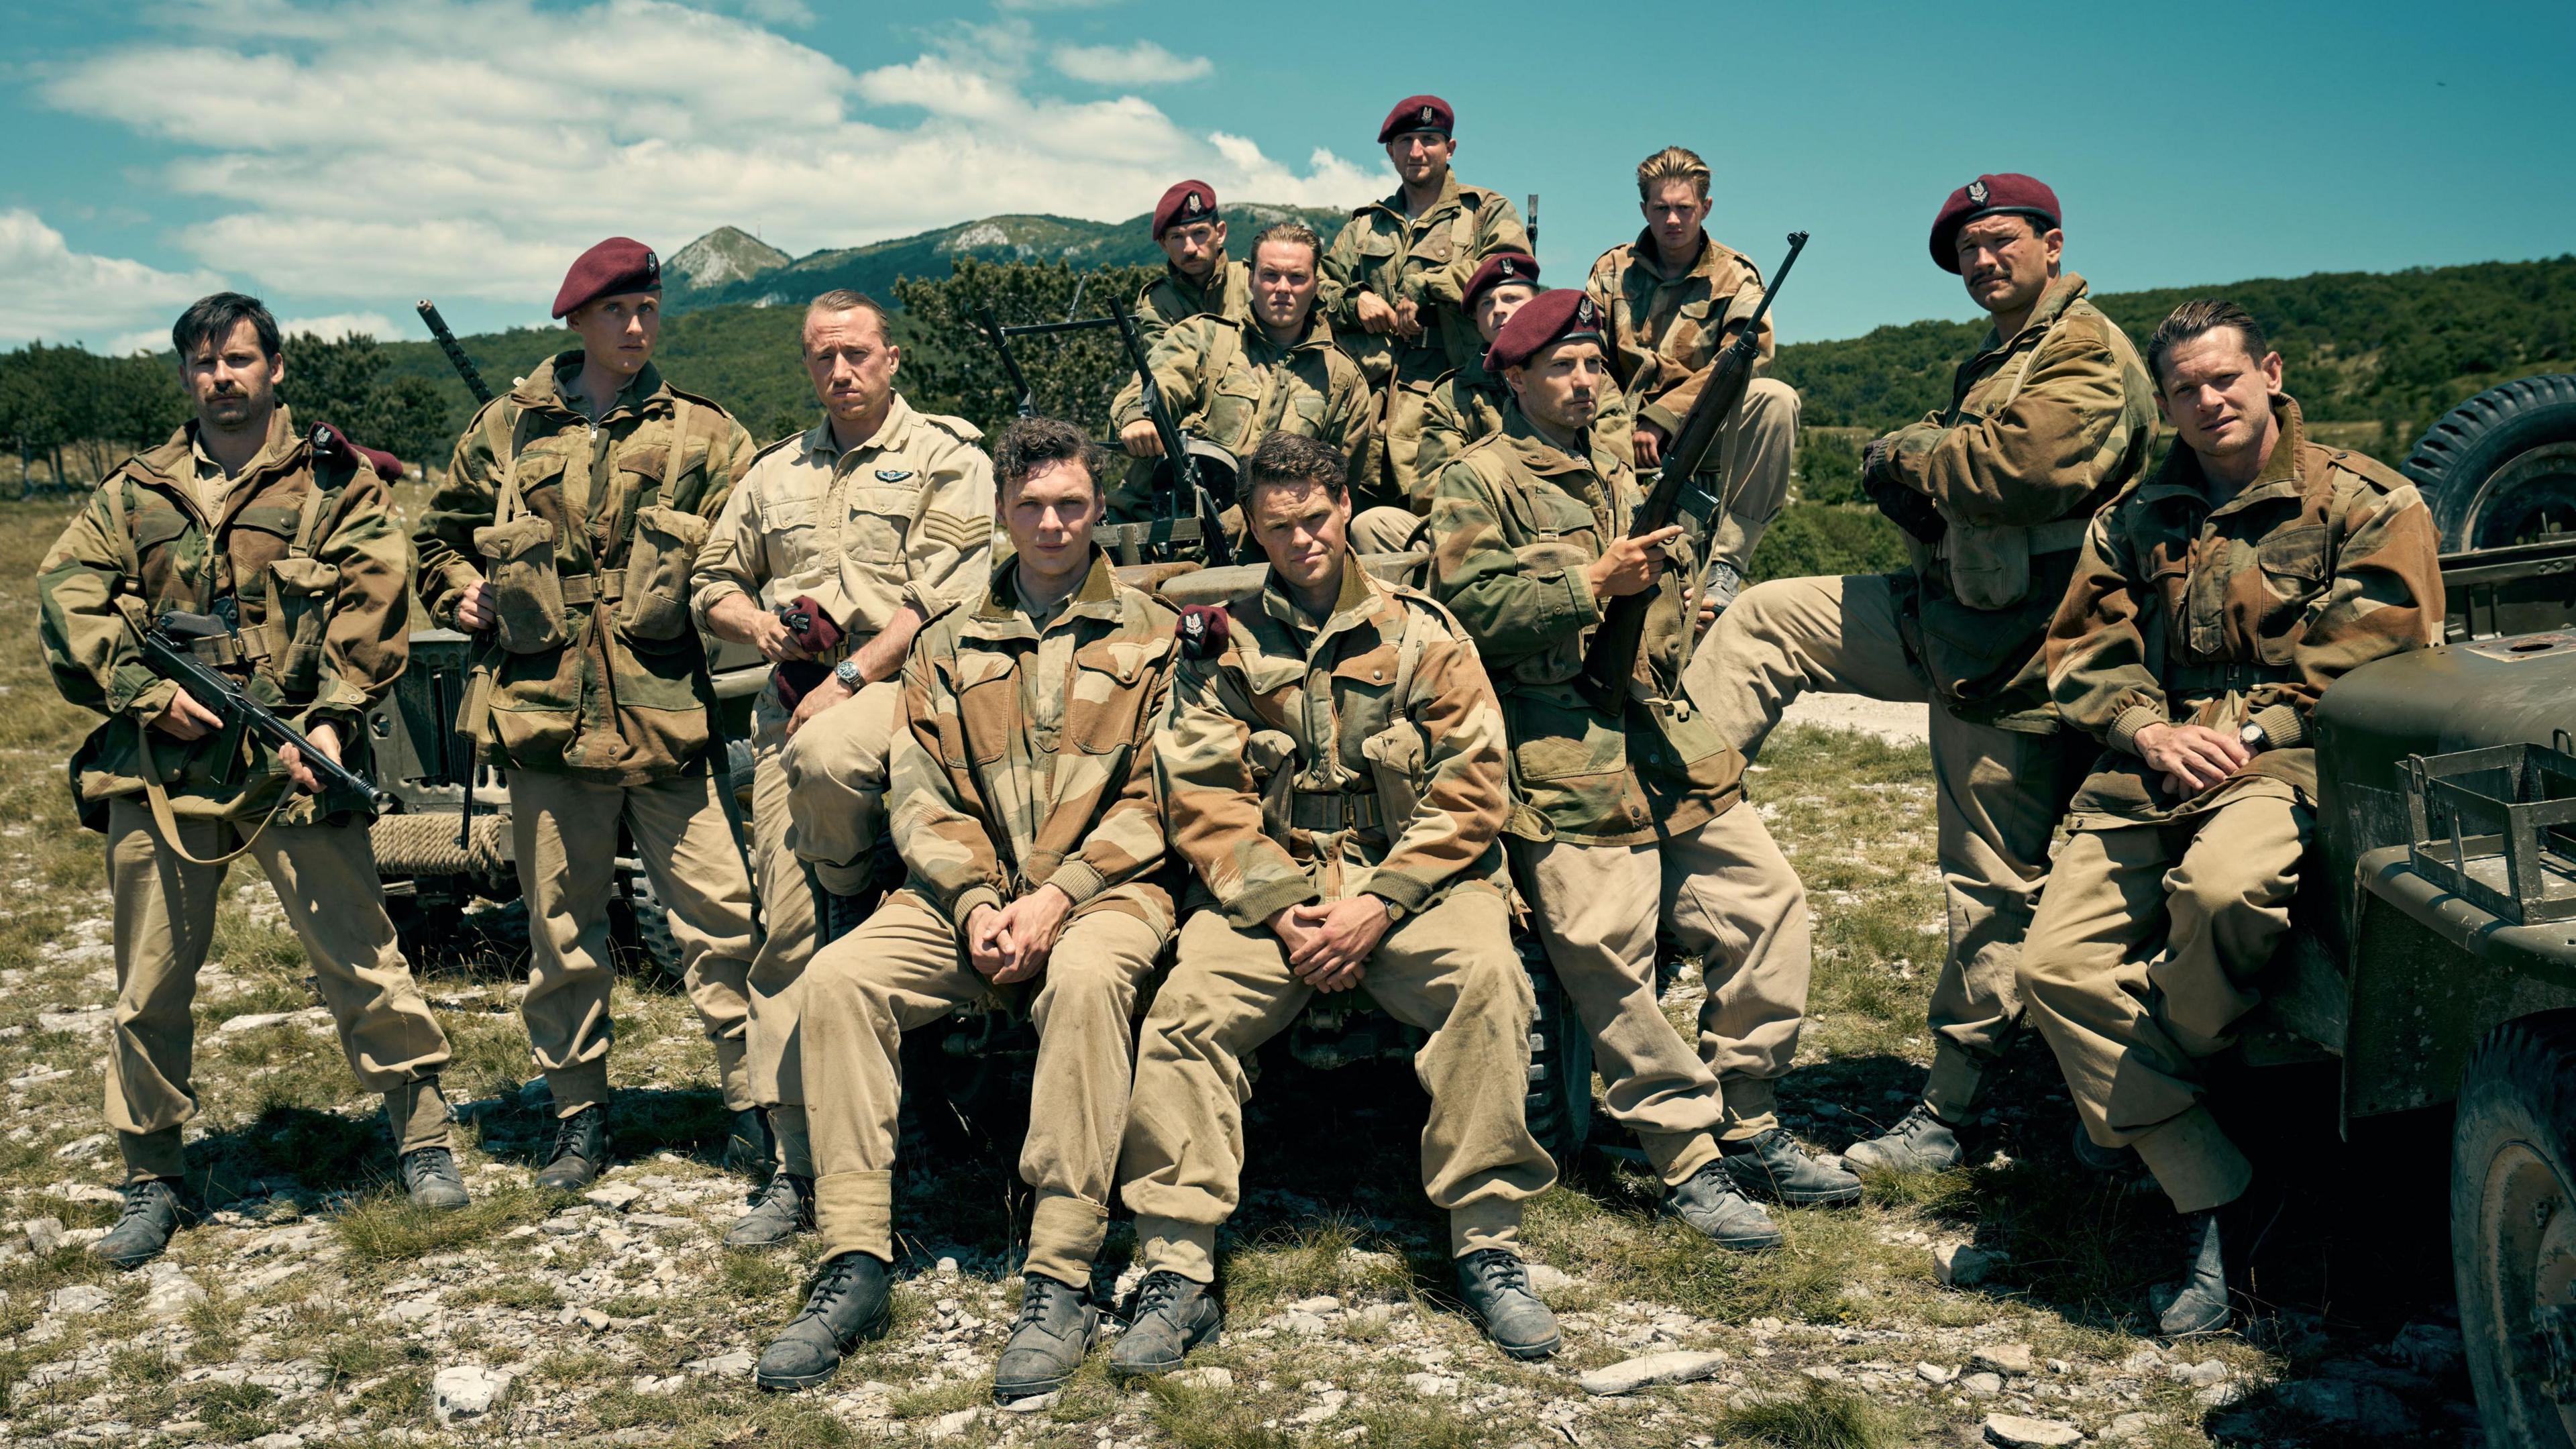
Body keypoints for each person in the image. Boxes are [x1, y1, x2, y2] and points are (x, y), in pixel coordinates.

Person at [1686, 176, 2157, 1172]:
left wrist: (1902, 448)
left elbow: (2016, 469)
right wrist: (1923, 464)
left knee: (1989, 882)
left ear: (2053, 244)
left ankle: (1953, 1112)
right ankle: (1666, 821)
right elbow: (1961, 483)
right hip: (1945, 610)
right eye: (1968, 252)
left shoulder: (2085, 351)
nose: (1983, 262)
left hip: (2027, 650)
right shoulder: (1999, 355)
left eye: (1999, 243)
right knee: (1768, 617)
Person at [2020, 300, 2443, 1334]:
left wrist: (2247, 735)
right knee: (2051, 971)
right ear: (2162, 399)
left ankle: (2161, 1114)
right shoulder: (2136, 512)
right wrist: (2146, 731)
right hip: (2153, 763)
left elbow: (2378, 648)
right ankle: (2224, 1179)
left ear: (2270, 374)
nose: (2208, 401)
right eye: (2185, 389)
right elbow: (2083, 646)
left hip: (2286, 757)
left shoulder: (2363, 502)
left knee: (2226, 889)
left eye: (2225, 379)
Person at [1114, 433, 1562, 1375]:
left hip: (1412, 878)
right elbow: (1199, 790)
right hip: (1278, 886)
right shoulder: (1226, 640)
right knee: (1186, 1012)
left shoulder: (1424, 633)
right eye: (1278, 528)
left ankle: (1486, 1243)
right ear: (1255, 529)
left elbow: (1473, 784)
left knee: (1487, 978)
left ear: (1345, 505)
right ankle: (1176, 1267)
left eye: (1315, 519)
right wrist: (1283, 910)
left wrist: (1383, 902)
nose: (1302, 541)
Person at [754, 419, 1177, 1399]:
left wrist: (1058, 897)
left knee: (1081, 980)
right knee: (839, 977)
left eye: (1071, 503)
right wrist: (983, 900)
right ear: (1001, 514)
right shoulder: (947, 642)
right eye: (1030, 505)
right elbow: (921, 791)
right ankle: (854, 1258)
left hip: (1108, 893)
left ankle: (1060, 1271)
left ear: (1100, 508)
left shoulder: (1152, 634)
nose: (1052, 523)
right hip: (972, 900)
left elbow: (1166, 795)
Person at [39, 292, 464, 1267]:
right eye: (203, 364)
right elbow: (67, 590)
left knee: (361, 956)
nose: (221, 378)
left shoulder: (334, 482)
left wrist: (329, 717)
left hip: (290, 760)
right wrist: (144, 690)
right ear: (185, 376)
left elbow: (377, 596)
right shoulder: (137, 489)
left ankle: (424, 1138)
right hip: (162, 769)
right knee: (149, 982)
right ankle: (151, 1173)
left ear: (275, 367)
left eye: (238, 360)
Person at [1430, 291, 1853, 1251]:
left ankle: (1746, 1117)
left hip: (1661, 734)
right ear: (1516, 377)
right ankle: (1686, 1155)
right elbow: (1464, 604)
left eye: (1593, 367)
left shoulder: (1619, 470)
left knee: (1766, 900)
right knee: (1602, 942)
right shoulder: (1478, 478)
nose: (1583, 383)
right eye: (1562, 368)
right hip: (1558, 744)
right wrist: (1589, 585)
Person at [413, 237, 762, 1190]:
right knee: (560, 928)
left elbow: (748, 542)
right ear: (577, 319)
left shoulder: (706, 434)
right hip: (545, 714)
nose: (638, 326)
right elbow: (437, 537)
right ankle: (578, 1113)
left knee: (721, 919)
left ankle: (755, 1106)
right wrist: (458, 594)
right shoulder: (507, 430)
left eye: (649, 308)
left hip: (664, 715)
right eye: (619, 311)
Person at [688, 288, 998, 1246]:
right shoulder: (773, 472)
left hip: (920, 704)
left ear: (892, 358)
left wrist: (854, 672)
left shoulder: (948, 456)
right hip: (793, 708)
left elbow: (943, 593)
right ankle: (800, 1165)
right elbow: (710, 579)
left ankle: (949, 1115)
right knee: (786, 935)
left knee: (937, 910)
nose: (840, 371)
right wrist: (764, 628)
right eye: (823, 356)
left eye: (857, 352)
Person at [1583, 146, 1799, 614]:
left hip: (1703, 426)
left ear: (1706, 207)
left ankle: (1726, 565)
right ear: (1644, 210)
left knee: (1776, 401)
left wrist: (1665, 414)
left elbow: (1744, 356)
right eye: (1661, 209)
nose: (1673, 220)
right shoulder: (1610, 271)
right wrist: (1623, 425)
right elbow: (1587, 354)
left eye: (1685, 208)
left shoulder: (1735, 275)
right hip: (1612, 427)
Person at [1321, 94, 1529, 515]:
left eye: (1429, 139)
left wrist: (1425, 285)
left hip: (1454, 388)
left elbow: (1511, 269)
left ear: (1449, 148)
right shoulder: (1366, 225)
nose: (1417, 151)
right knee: (1356, 513)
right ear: (1391, 151)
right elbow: (1320, 284)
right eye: (1406, 141)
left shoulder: (1485, 211)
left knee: (1442, 508)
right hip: (1369, 394)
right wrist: (1354, 300)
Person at [1113, 221, 1383, 542]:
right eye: (1270, 275)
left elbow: (1339, 486)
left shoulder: (1342, 379)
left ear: (1316, 285)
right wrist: (1140, 418)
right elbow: (1155, 386)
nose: (1282, 288)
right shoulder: (1202, 338)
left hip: (1273, 546)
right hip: (1168, 530)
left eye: (1297, 277)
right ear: (1251, 278)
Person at [1415, 251, 1634, 504]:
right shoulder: (1454, 394)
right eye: (1487, 303)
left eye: (1511, 298)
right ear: (1476, 321)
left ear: (1535, 305)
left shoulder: (1592, 380)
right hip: (1487, 514)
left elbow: (1617, 472)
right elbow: (1431, 491)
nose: (1499, 310)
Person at [1108, 179, 1254, 521]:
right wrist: (1138, 416)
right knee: (1120, 518)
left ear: (1220, 232)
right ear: (1163, 245)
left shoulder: (1251, 281)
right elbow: (1166, 369)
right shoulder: (1158, 301)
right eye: (1177, 237)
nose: (1190, 248)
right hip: (1186, 431)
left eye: (1200, 234)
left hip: (1246, 417)